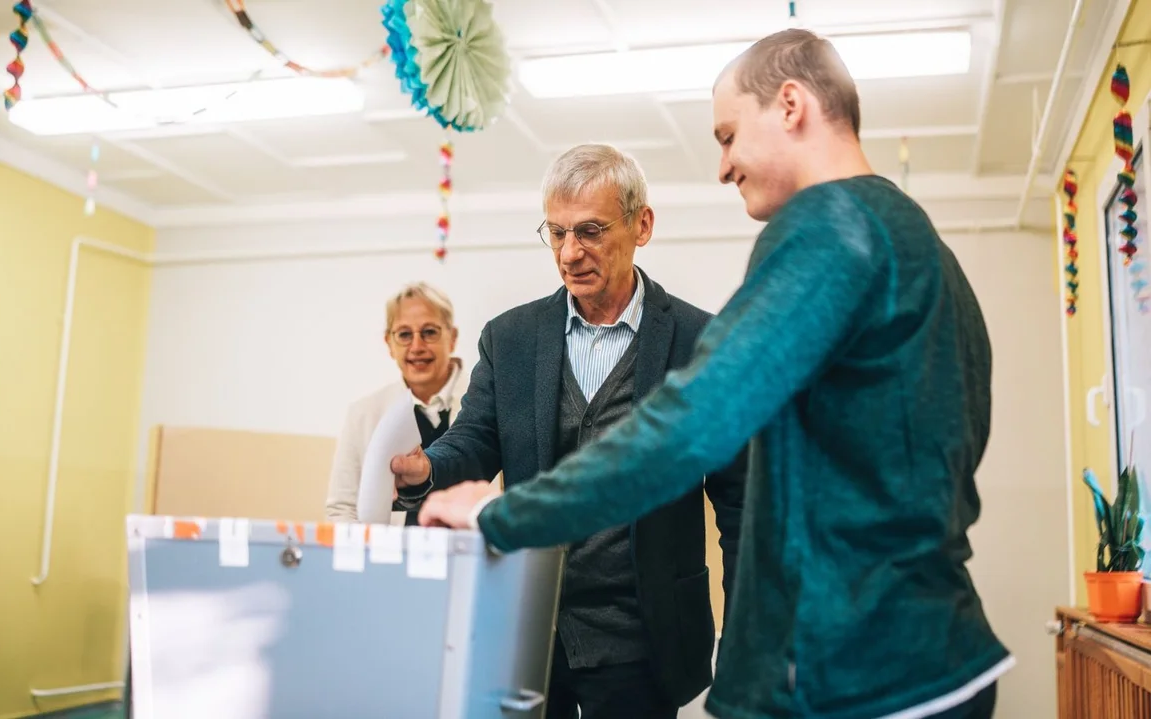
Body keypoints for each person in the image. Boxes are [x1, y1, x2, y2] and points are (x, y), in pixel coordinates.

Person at [418, 29, 1009, 719]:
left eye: (729, 135)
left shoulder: (825, 229)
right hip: (936, 655)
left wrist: (502, 513)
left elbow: (686, 427)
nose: (723, 165)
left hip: (850, 675)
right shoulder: (915, 238)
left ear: (790, 104)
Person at [390, 143, 748, 719]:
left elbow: (737, 503)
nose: (570, 253)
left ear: (642, 225)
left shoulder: (699, 340)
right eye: (555, 233)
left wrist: (743, 638)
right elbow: (476, 439)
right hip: (528, 624)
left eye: (589, 231)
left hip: (645, 637)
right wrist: (431, 466)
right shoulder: (509, 338)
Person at [324, 282, 469, 526]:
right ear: (389, 344)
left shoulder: (485, 403)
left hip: (467, 557)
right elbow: (341, 510)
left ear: (452, 338)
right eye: (404, 335)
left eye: (429, 332)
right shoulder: (363, 414)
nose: (417, 347)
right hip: (387, 560)